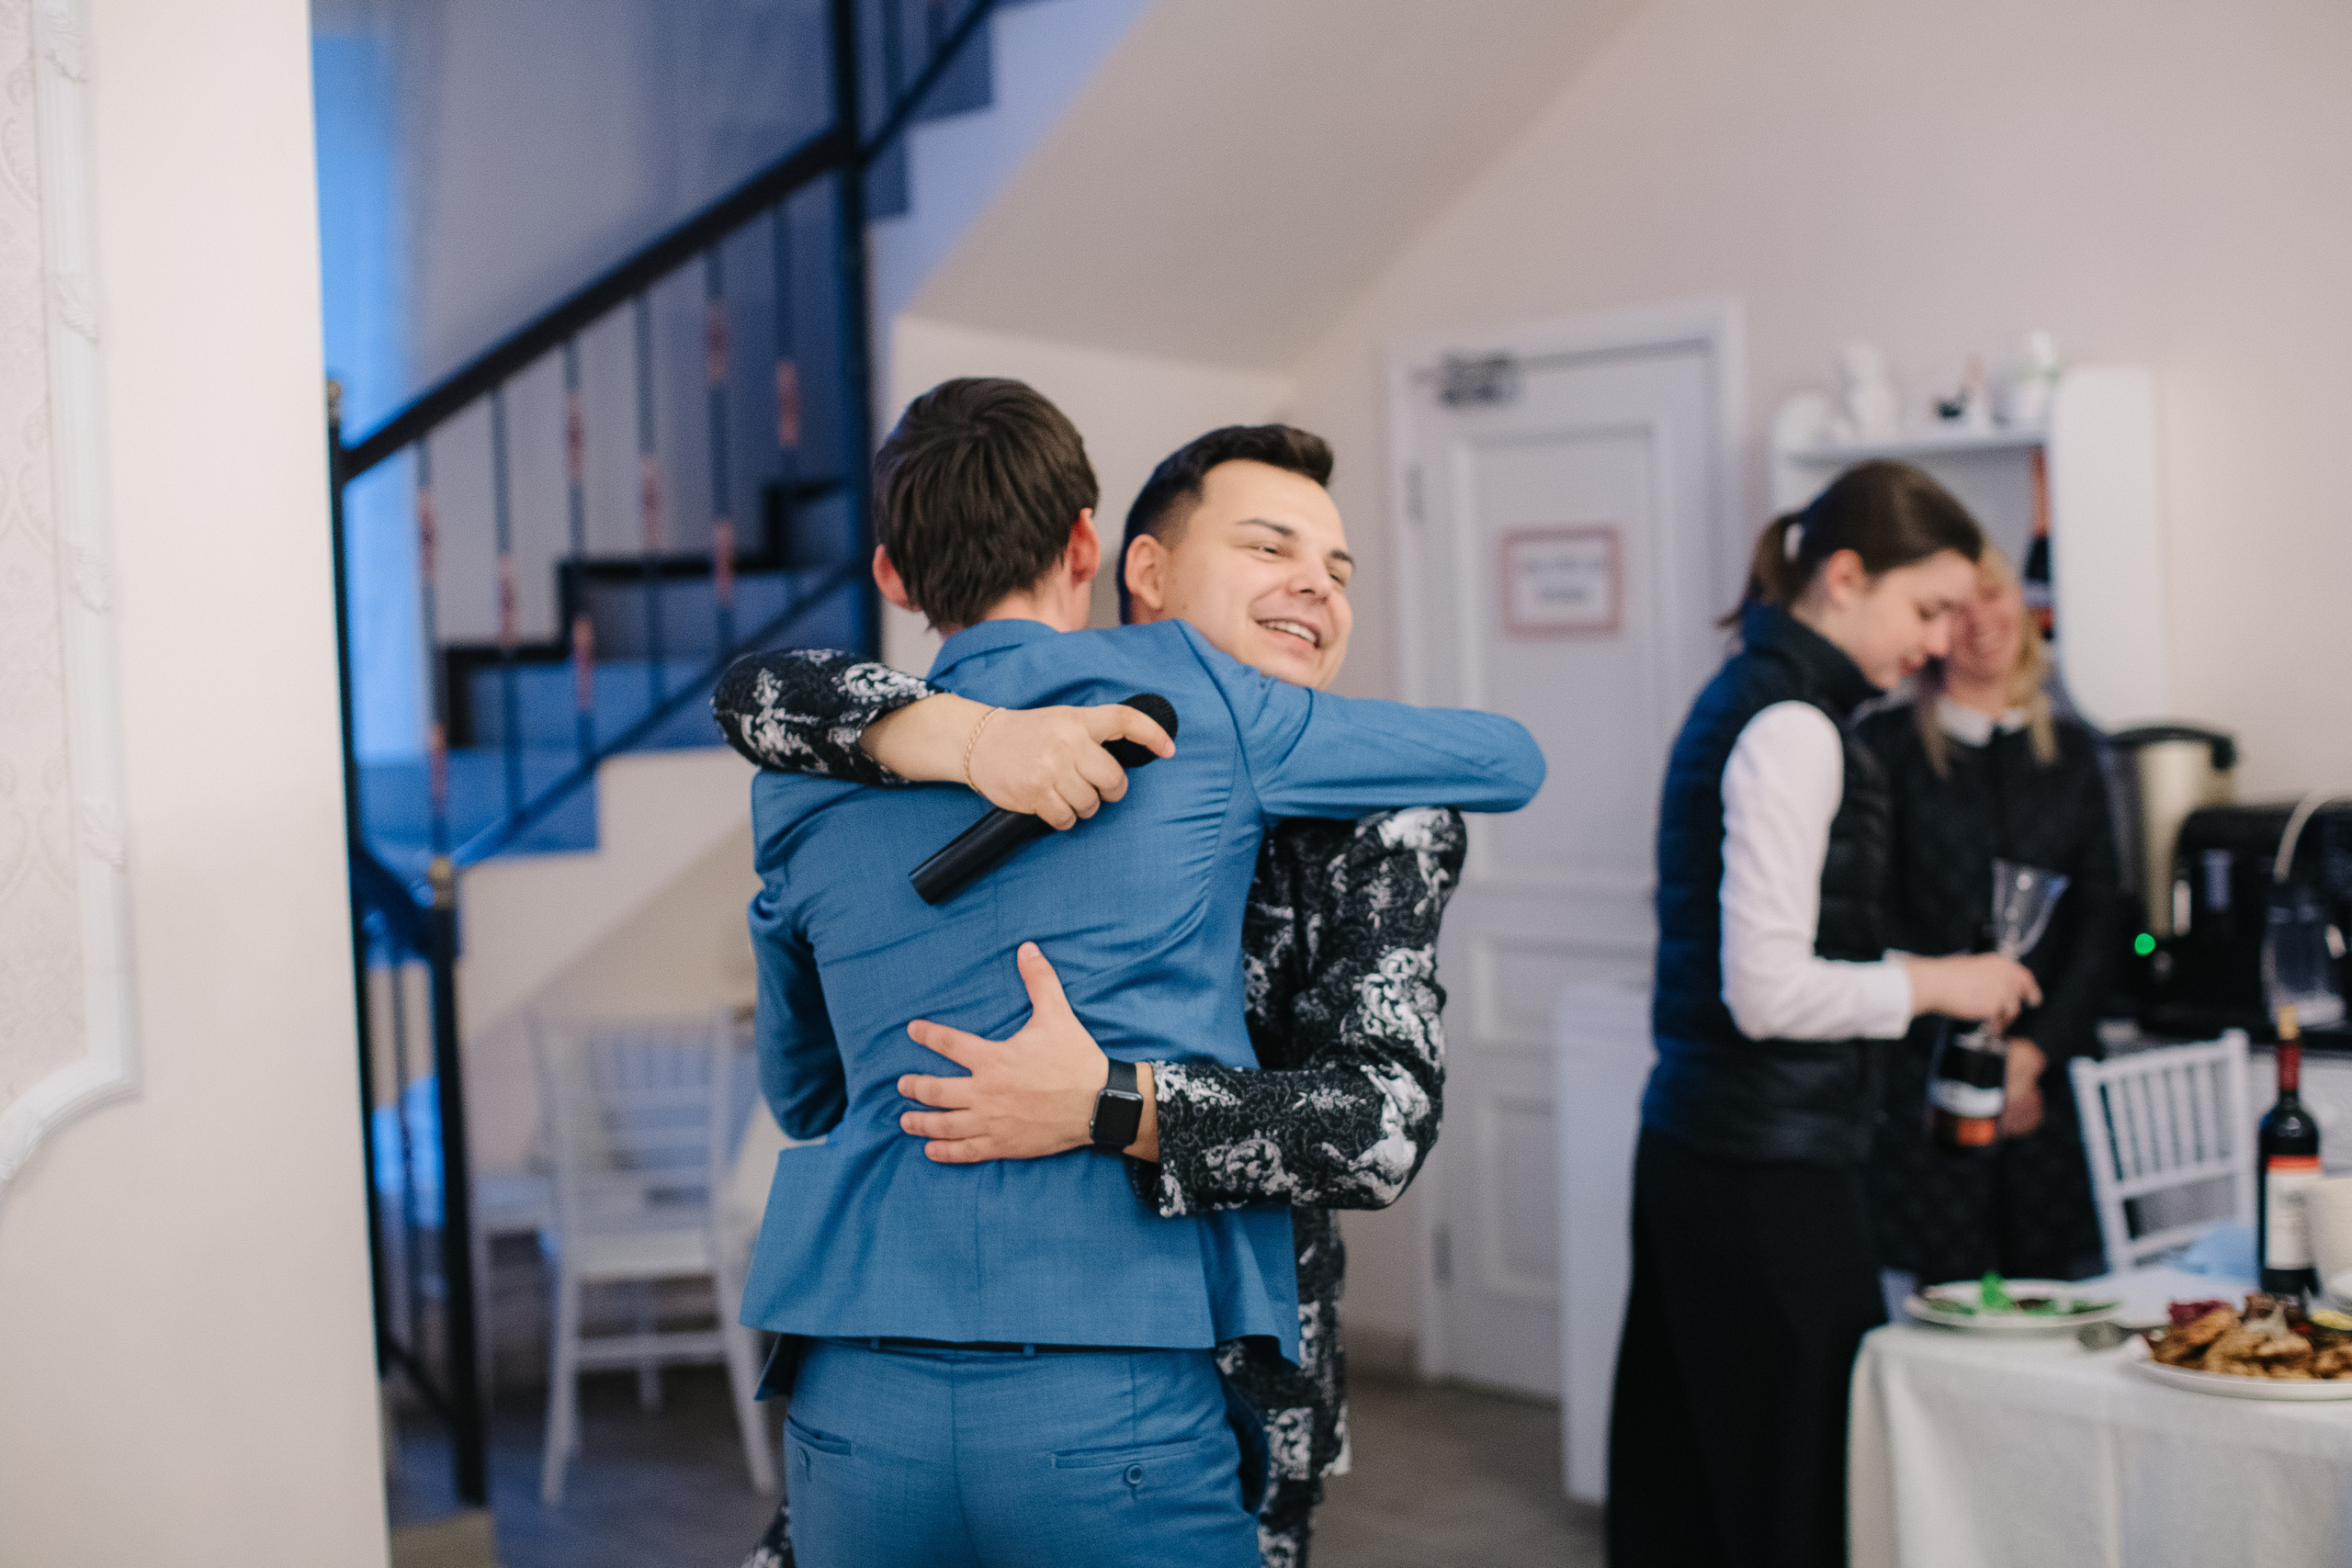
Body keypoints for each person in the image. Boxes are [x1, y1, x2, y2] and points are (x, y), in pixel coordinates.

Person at [737, 378, 1544, 1568]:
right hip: (1115, 1367)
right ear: (1105, 553)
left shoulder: (803, 776)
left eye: (1339, 564)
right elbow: (1507, 752)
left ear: (891, 578)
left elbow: (807, 1092)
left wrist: (1105, 1094)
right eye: (1269, 544)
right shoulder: (1197, 698)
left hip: (852, 1384)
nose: (1317, 583)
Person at [1605, 460, 2042, 1568]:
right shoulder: (1795, 725)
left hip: (1713, 1152)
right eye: (1929, 607)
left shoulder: (1761, 696)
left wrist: (1917, 971)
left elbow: (1785, 956)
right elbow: (1768, 990)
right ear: (1845, 578)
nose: (1944, 639)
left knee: (1702, 1493)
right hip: (1764, 1177)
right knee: (1794, 1504)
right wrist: (1940, 981)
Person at [1862, 546, 2120, 1289]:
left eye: (1993, 595)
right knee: (1938, 1299)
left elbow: (2100, 919)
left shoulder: (2070, 751)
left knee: (2050, 1295)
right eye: (1957, 606)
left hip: (2048, 1076)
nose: (1982, 622)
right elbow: (1872, 916)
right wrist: (1958, 1063)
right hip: (1919, 1076)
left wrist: (2032, 1056)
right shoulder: (1888, 747)